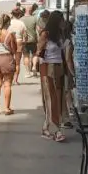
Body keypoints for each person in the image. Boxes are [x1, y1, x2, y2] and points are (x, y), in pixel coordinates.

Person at [36, 10, 67, 142]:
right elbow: (39, 52)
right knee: (51, 99)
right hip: (48, 67)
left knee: (58, 99)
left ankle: (48, 127)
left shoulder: (59, 35)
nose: (63, 23)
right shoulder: (46, 34)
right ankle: (56, 129)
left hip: (58, 67)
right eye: (61, 20)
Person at [0, 14, 17, 115]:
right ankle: (7, 108)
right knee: (7, 84)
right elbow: (14, 49)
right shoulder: (10, 35)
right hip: (7, 58)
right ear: (8, 22)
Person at [8, 9, 27, 85]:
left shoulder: (9, 22)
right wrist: (24, 42)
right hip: (19, 41)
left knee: (9, 61)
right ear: (19, 15)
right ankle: (15, 80)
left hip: (9, 41)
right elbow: (25, 35)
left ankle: (9, 79)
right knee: (17, 63)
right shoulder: (21, 23)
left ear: (12, 14)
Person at [21, 5, 39, 78]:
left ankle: (28, 72)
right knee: (35, 54)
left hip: (25, 41)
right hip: (33, 40)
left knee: (26, 56)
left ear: (25, 10)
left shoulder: (21, 19)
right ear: (31, 10)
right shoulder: (34, 19)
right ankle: (34, 67)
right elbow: (37, 29)